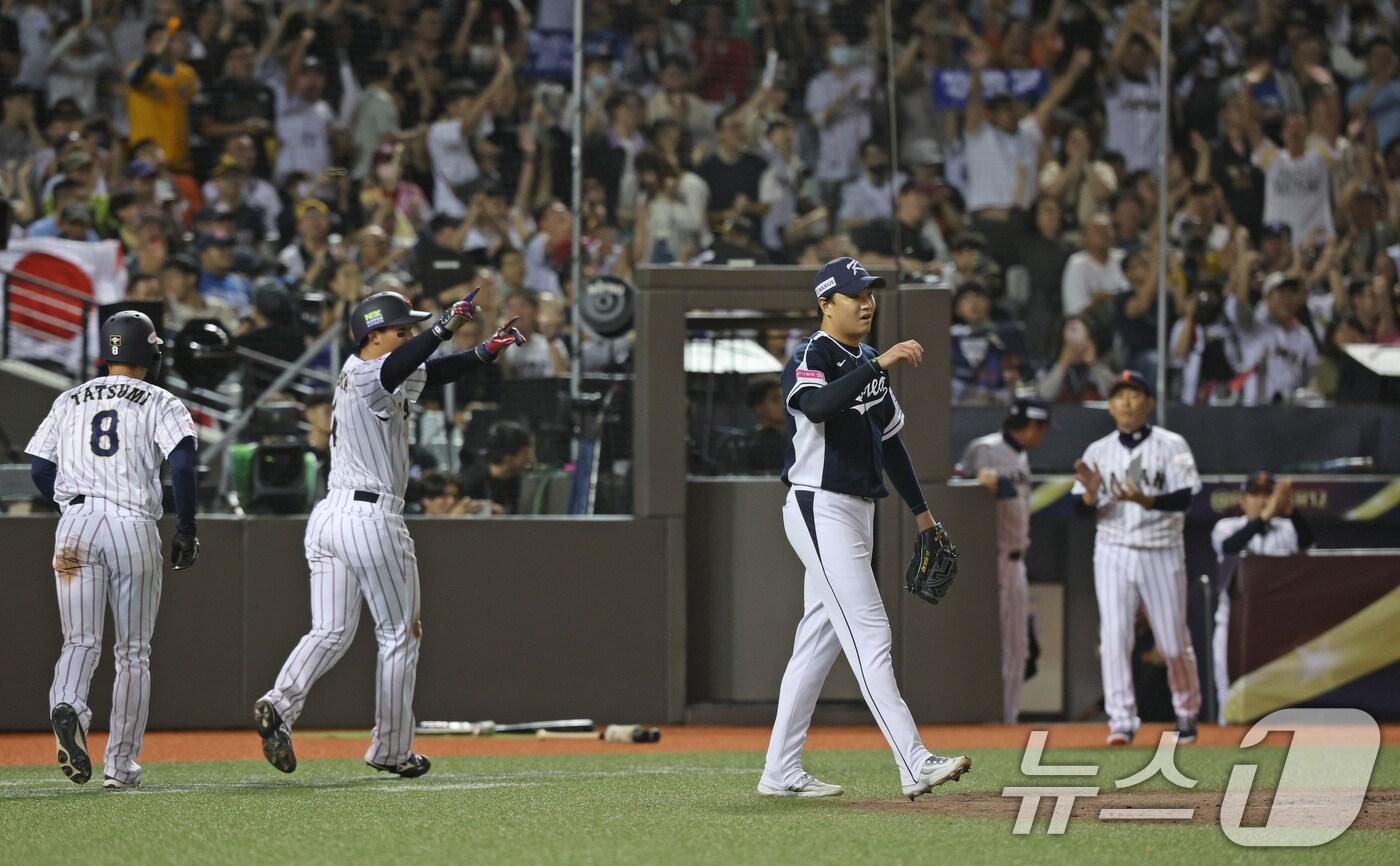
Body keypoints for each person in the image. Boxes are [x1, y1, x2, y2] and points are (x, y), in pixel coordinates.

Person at [254, 290, 524, 778]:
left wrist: (483, 351)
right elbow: (407, 361)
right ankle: (391, 749)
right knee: (400, 635)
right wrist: (441, 329)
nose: (411, 335)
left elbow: (432, 371)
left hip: (332, 518)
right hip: (370, 518)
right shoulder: (364, 372)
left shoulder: (386, 373)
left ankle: (279, 703)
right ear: (372, 335)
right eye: (402, 329)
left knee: (331, 631)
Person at [761, 256, 970, 800]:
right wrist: (879, 367)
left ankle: (779, 773)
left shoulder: (869, 357)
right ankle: (914, 761)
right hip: (818, 506)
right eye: (855, 294)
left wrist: (923, 513)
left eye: (870, 292)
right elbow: (818, 405)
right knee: (870, 632)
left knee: (818, 641)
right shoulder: (813, 353)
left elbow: (891, 442)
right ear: (826, 304)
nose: (867, 301)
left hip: (859, 509)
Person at [24, 311, 200, 789]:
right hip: (131, 525)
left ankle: (68, 703)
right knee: (133, 653)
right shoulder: (161, 400)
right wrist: (186, 526)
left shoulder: (69, 399)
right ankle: (119, 767)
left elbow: (39, 468)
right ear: (149, 350)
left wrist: (72, 505)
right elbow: (182, 466)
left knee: (79, 641)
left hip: (76, 524)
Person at [1072, 371, 1203, 746]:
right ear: (1110, 406)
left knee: (1173, 643)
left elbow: (1186, 498)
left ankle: (1186, 710)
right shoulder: (1098, 451)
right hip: (1113, 550)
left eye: (1134, 394)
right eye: (1119, 396)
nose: (1126, 402)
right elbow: (1077, 511)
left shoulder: (1171, 444)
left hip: (1161, 550)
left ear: (1149, 402)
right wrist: (1088, 496)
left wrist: (1148, 501)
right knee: (1114, 637)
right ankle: (1122, 720)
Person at [956, 398, 1051, 723]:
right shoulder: (985, 448)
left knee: (1019, 648)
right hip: (990, 559)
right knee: (994, 645)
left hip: (1014, 559)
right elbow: (959, 488)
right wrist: (980, 481)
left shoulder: (1020, 455)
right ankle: (988, 718)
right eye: (1042, 429)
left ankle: (1007, 719)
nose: (1043, 437)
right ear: (1031, 426)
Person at [1209, 472, 1313, 722]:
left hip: (1275, 629)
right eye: (1255, 495)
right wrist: (1267, 514)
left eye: (1268, 495)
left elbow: (1308, 543)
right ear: (1243, 500)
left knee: (1279, 705)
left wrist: (1290, 511)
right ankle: (1227, 751)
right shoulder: (1227, 527)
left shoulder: (1286, 529)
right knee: (1231, 700)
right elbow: (1230, 546)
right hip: (1233, 629)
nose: (1262, 500)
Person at [459, 420, 533, 515]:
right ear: (508, 457)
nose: (529, 459)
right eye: (525, 453)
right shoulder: (471, 481)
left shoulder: (515, 481)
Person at [741, 376, 786, 474]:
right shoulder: (748, 444)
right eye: (775, 399)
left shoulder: (796, 438)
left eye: (783, 398)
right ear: (759, 407)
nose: (783, 404)